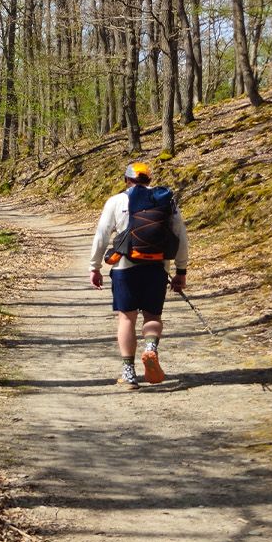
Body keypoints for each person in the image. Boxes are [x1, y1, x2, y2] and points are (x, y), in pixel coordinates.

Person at [86, 162, 188, 388]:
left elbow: (102, 235)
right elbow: (180, 235)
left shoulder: (116, 201)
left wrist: (95, 266)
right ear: (149, 180)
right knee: (153, 316)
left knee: (126, 319)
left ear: (126, 180)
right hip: (157, 267)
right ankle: (150, 347)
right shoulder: (166, 200)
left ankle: (129, 374)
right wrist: (181, 270)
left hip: (124, 268)